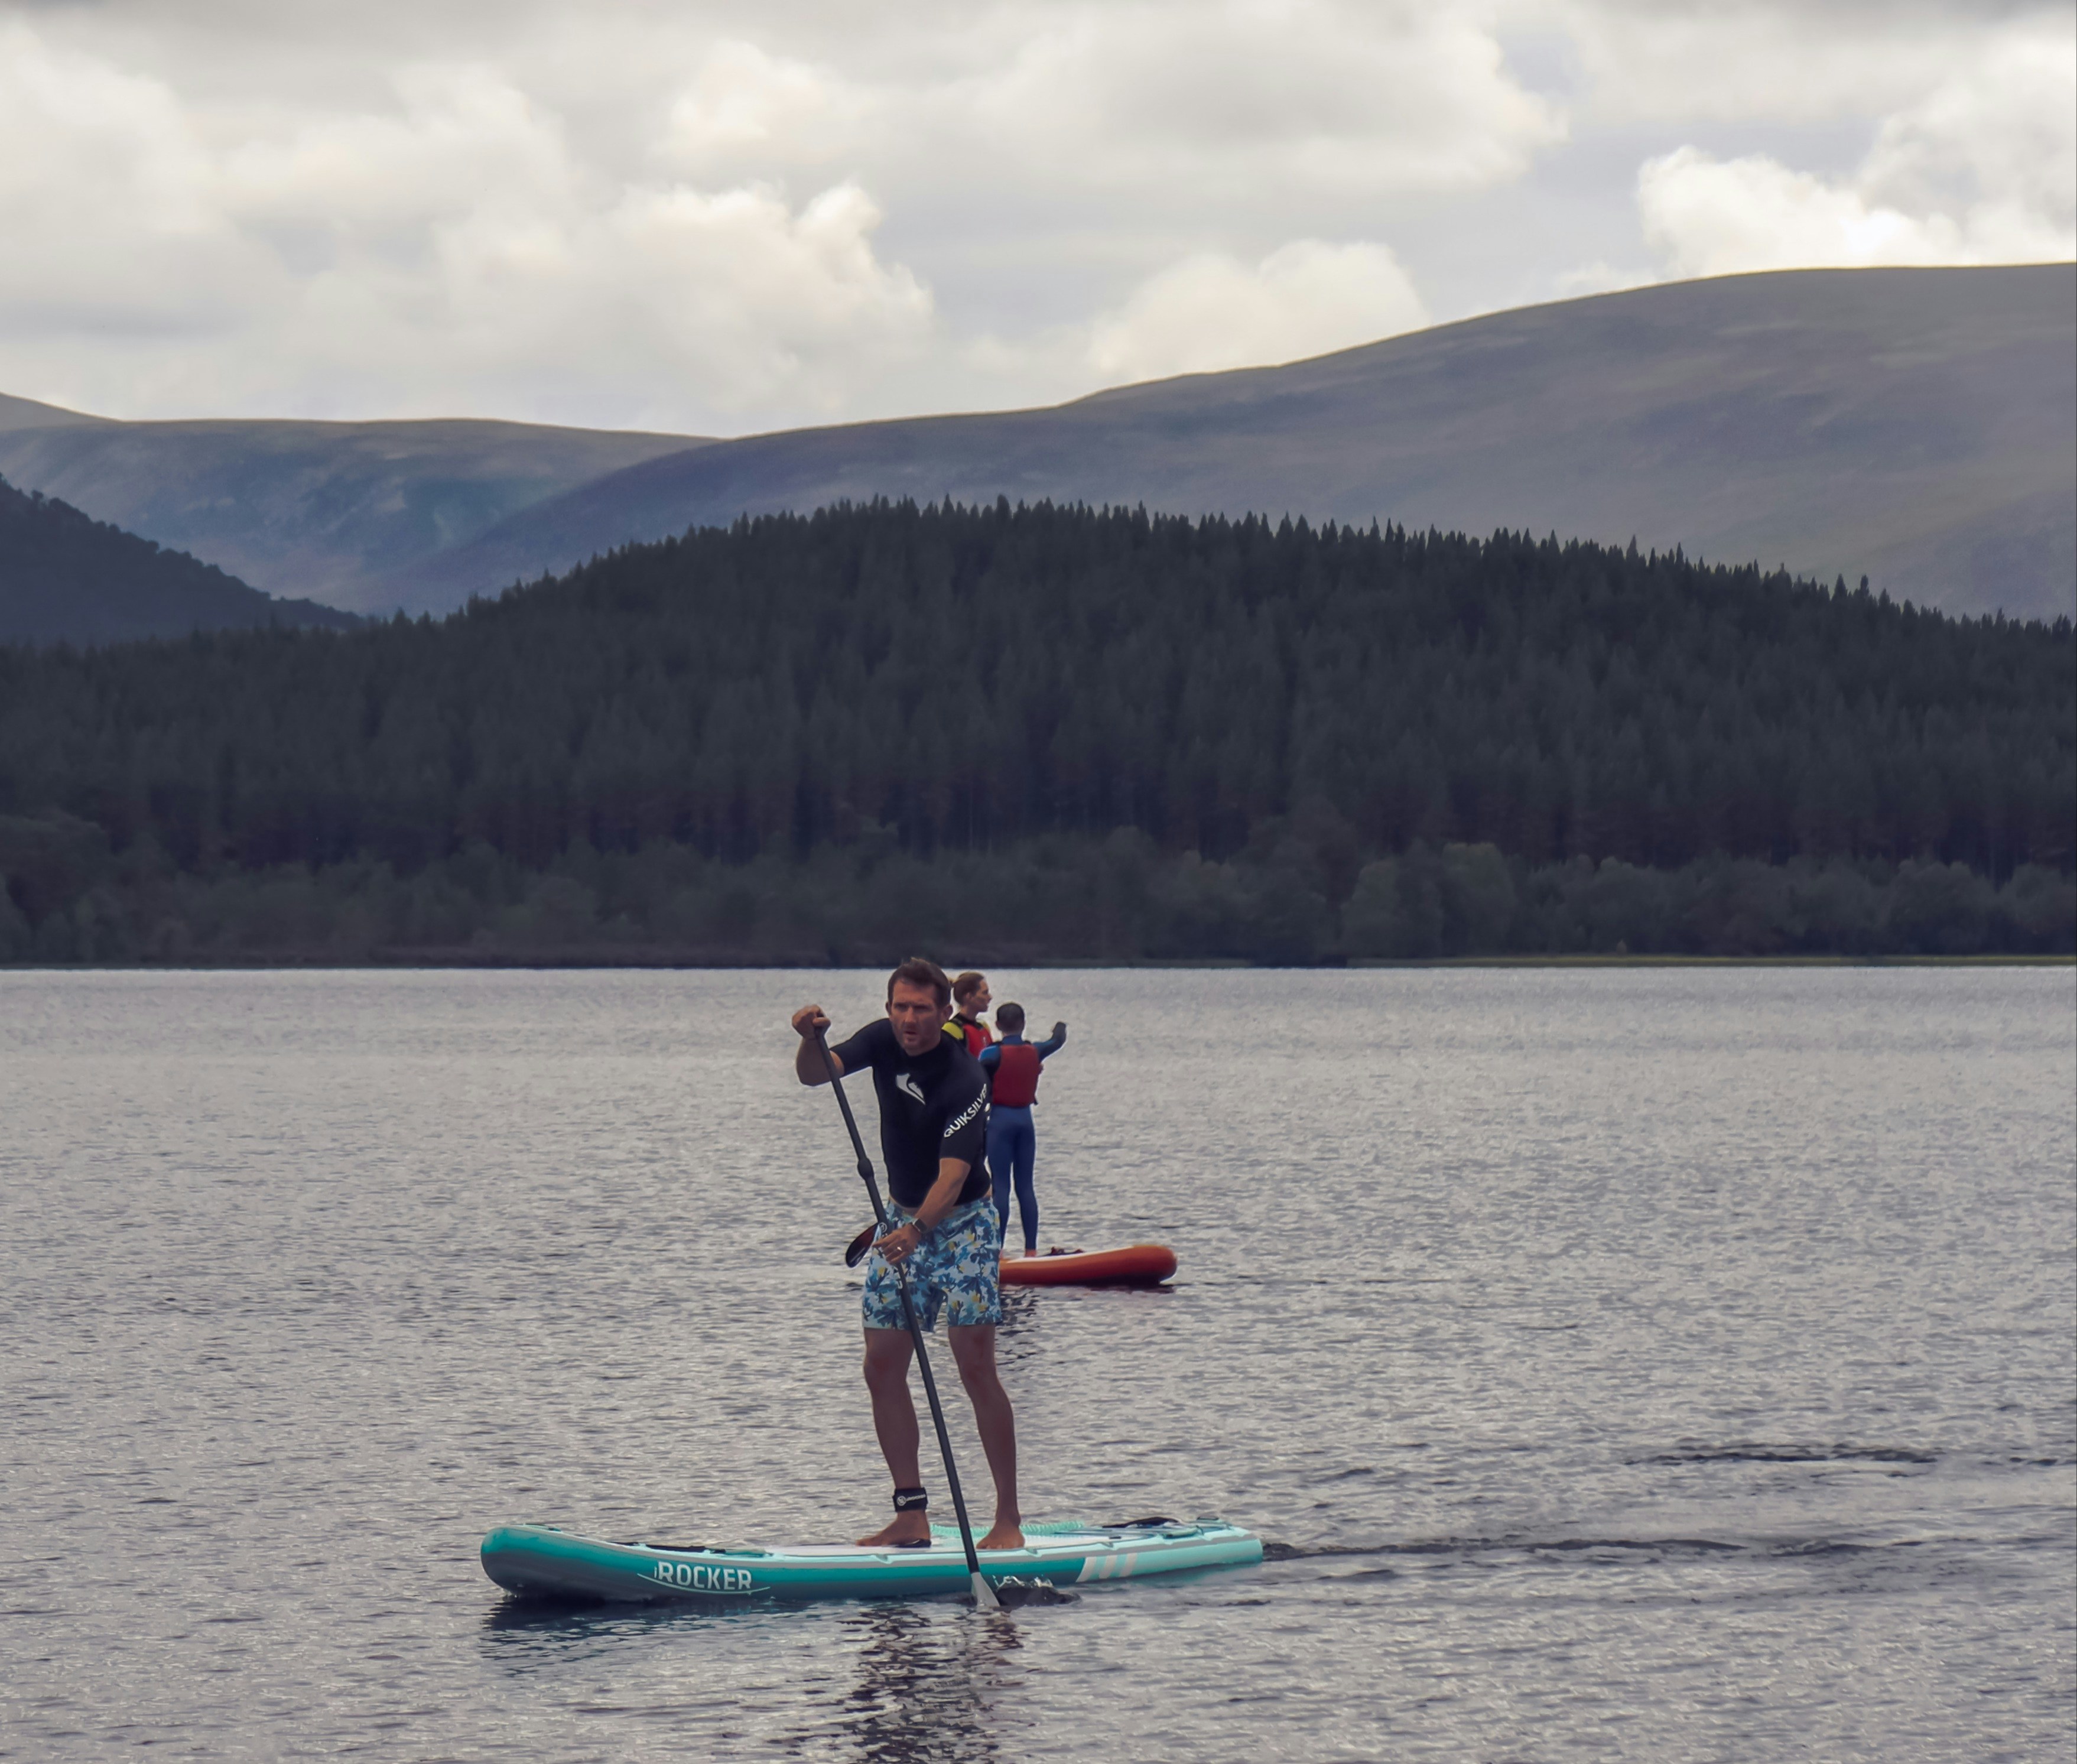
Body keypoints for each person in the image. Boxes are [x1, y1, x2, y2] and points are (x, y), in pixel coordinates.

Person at [791, 957, 1023, 1551]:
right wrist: (806, 1039)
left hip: (963, 1226)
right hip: (900, 1220)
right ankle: (911, 1514)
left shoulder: (964, 1078)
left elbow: (951, 1178)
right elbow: (816, 1075)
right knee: (881, 1366)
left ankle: (1007, 1521)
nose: (908, 1019)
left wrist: (917, 1232)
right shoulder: (881, 1039)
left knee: (973, 1368)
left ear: (944, 1014)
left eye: (921, 1009)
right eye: (900, 1007)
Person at [979, 1003, 1067, 1258]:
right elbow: (1058, 1040)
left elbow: (974, 1071)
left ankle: (996, 1251)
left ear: (997, 1025)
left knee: (1001, 1186)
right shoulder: (1035, 1051)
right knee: (1026, 1186)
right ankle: (1031, 1251)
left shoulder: (991, 1054)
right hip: (1025, 1122)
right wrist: (1060, 1026)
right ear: (1024, 1023)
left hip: (999, 1121)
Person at [948, 972, 994, 1057]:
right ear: (969, 996)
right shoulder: (952, 1030)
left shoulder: (983, 1026)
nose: (990, 997)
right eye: (985, 993)